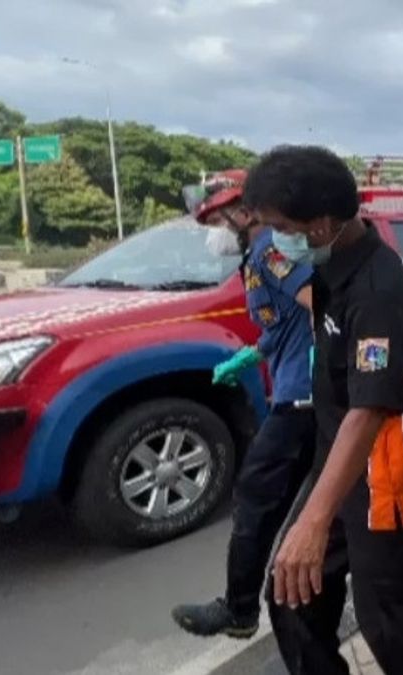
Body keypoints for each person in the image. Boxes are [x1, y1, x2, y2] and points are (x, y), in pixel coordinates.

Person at [245, 146, 403, 674]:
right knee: (292, 596)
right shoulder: (332, 269)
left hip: (388, 477)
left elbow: (370, 408)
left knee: (399, 629)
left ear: (319, 225)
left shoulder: (378, 292)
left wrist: (315, 521)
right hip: (341, 461)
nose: (271, 240)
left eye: (277, 227)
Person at [172, 170, 317, 640]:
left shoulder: (271, 251)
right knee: (328, 492)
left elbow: (322, 301)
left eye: (218, 220)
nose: (215, 232)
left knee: (256, 498)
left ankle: (238, 611)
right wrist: (254, 353)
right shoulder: (259, 255)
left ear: (246, 213)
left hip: (304, 398)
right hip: (298, 388)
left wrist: (328, 350)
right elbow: (283, 323)